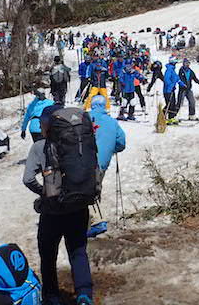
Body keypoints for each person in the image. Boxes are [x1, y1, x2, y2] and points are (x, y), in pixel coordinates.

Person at [22, 107, 94, 305]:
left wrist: (43, 192)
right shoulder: (78, 144)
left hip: (52, 210)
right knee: (78, 251)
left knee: (48, 255)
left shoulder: (39, 147)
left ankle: (52, 297)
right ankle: (84, 295)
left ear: (46, 125)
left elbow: (28, 179)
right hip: (79, 206)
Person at [88, 95, 126, 170]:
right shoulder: (112, 122)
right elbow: (121, 143)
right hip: (101, 164)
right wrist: (111, 148)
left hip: (81, 164)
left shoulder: (83, 117)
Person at [163, 57, 186, 124]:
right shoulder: (169, 70)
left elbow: (177, 79)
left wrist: (182, 84)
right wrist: (171, 86)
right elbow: (166, 79)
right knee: (169, 104)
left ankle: (171, 118)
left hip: (171, 90)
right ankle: (162, 117)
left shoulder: (173, 70)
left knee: (172, 104)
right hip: (167, 91)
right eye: (175, 62)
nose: (176, 63)